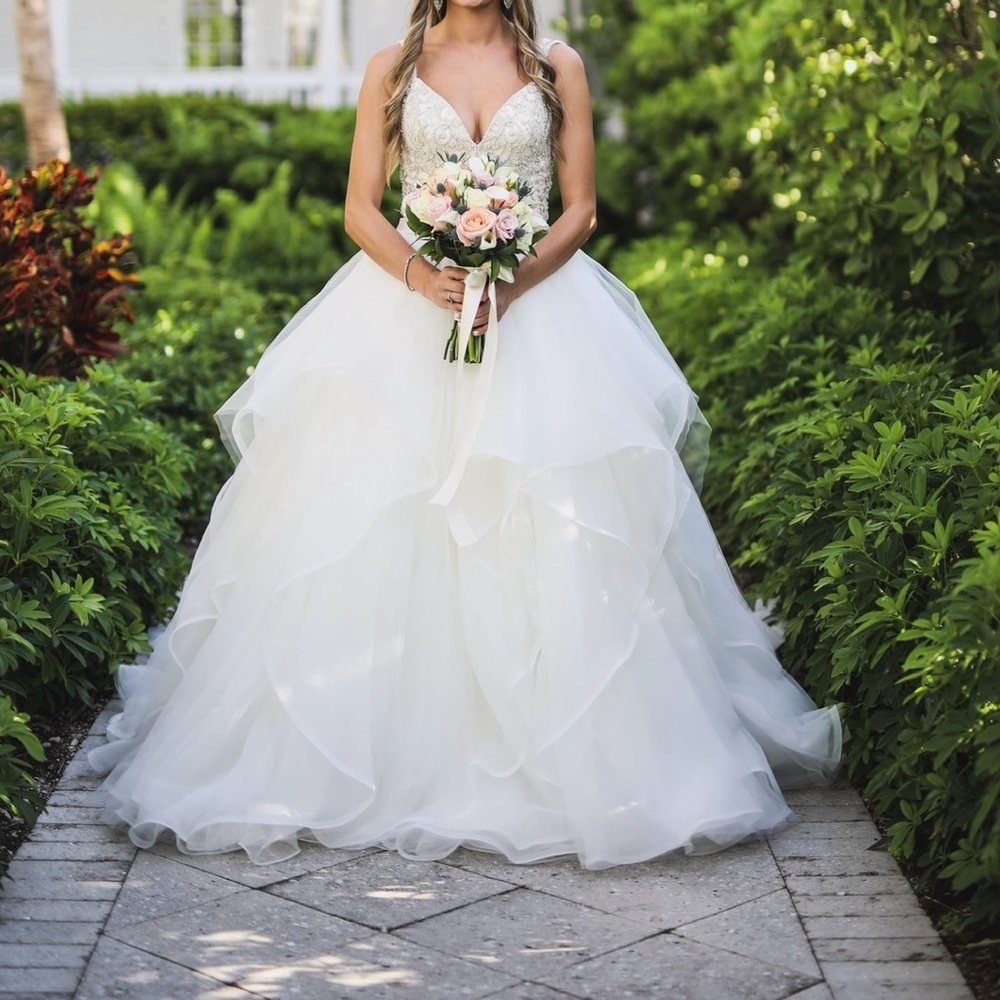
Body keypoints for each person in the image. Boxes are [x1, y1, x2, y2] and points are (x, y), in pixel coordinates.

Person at [90, 0, 842, 869]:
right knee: (378, 515)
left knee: (550, 516)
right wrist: (422, 277)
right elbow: (361, 209)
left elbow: (582, 209)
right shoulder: (392, 67)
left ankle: (575, 750)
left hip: (540, 316)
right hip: (407, 313)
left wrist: (512, 282)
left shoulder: (559, 67)